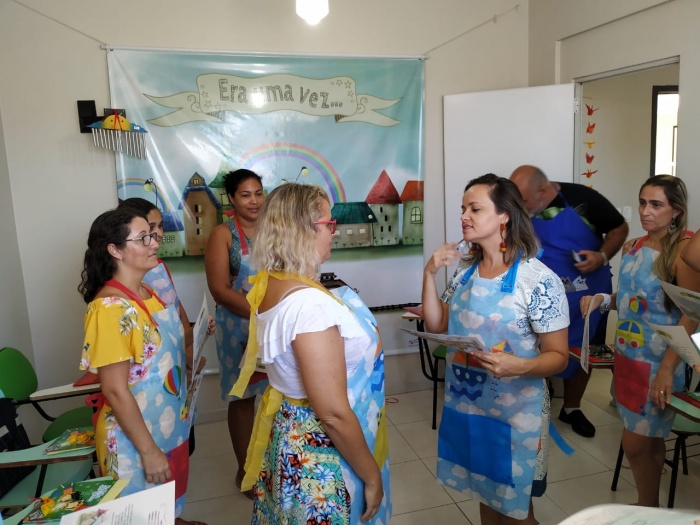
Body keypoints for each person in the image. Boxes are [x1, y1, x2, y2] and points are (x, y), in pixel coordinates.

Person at [231, 183, 391, 524]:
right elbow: (332, 413)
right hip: (318, 452)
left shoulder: (273, 282)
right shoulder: (310, 305)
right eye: (328, 224)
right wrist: (372, 476)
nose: (334, 231)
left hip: (288, 433)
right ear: (302, 230)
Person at [422, 173, 569, 524]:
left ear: (504, 216)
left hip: (516, 415)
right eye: (463, 208)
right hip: (469, 407)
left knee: (517, 511)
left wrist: (518, 366)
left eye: (475, 209)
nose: (464, 216)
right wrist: (428, 274)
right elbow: (436, 325)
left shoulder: (537, 280)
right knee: (484, 494)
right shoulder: (465, 271)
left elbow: (559, 357)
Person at [78, 208, 205, 525]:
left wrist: (190, 360)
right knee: (139, 516)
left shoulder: (149, 294)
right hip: (134, 440)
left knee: (164, 508)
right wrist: (148, 451)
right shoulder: (110, 308)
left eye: (153, 235)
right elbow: (115, 390)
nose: (155, 242)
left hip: (166, 425)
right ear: (115, 250)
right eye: (143, 237)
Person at [581, 174, 700, 507]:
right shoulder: (633, 246)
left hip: (659, 363)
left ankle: (646, 507)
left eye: (656, 205)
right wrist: (603, 300)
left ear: (676, 210)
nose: (646, 211)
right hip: (627, 359)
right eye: (643, 203)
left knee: (634, 445)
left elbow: (691, 314)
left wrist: (667, 368)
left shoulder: (683, 252)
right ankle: (650, 505)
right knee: (648, 440)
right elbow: (632, 300)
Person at [510, 165, 629, 438]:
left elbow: (619, 228)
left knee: (584, 347)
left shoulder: (583, 199)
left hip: (588, 291)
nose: (519, 206)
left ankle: (572, 407)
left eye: (524, 200)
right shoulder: (518, 206)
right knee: (534, 347)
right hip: (541, 292)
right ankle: (535, 402)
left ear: (542, 190)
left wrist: (601, 256)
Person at [203, 169, 267, 496]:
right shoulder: (223, 235)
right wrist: (260, 314)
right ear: (231, 198)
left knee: (275, 395)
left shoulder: (274, 229)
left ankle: (271, 467)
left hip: (273, 326)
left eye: (258, 193)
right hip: (238, 329)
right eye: (245, 195)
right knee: (243, 398)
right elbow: (219, 289)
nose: (254, 201)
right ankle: (245, 473)